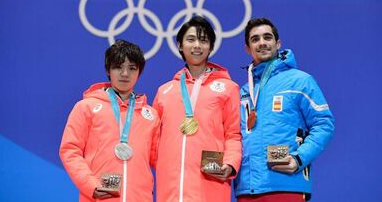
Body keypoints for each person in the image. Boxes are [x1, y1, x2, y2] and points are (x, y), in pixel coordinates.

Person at [234, 18, 335, 201]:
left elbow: (324, 123)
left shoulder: (300, 81)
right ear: (248, 48)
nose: (262, 42)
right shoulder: (243, 91)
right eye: (255, 39)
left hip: (287, 186)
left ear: (278, 43)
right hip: (248, 190)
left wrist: (299, 158)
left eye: (267, 37)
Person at [153, 15, 242, 202]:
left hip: (210, 183)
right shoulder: (164, 91)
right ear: (180, 45)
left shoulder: (228, 88)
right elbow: (153, 140)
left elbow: (233, 134)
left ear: (210, 47)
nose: (197, 46)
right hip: (170, 187)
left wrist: (230, 164)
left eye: (203, 41)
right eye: (191, 39)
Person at [59, 40, 160, 202]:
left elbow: (162, 160)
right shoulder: (87, 107)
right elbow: (70, 151)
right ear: (108, 70)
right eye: (118, 67)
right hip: (99, 197)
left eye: (132, 68)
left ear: (139, 72)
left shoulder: (151, 116)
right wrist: (91, 185)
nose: (125, 73)